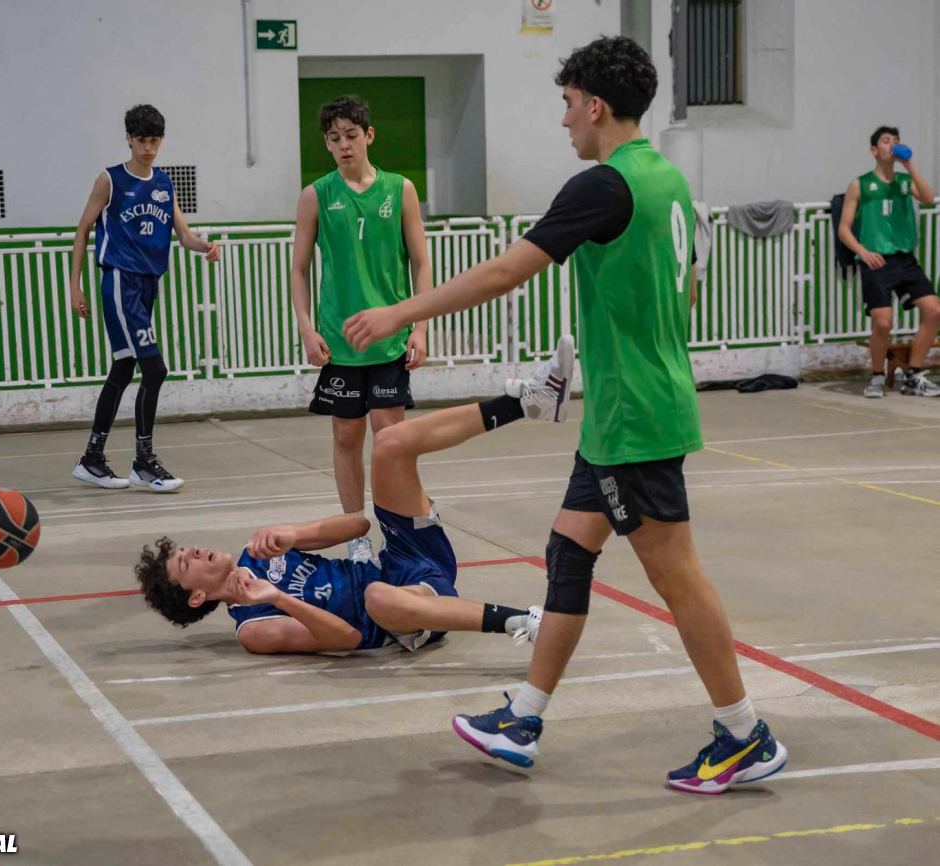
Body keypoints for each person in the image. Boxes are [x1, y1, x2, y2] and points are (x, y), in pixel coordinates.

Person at [344, 36, 787, 794]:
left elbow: (505, 271)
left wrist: (399, 313)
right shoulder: (667, 179)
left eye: (568, 104)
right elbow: (683, 286)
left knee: (678, 577)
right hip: (629, 409)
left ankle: (745, 733)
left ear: (596, 106)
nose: (564, 120)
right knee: (568, 552)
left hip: (634, 418)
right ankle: (524, 717)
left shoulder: (603, 185)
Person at [133, 338, 577, 654]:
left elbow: (359, 524)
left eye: (186, 550)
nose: (195, 551)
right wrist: (278, 598)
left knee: (390, 443)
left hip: (404, 560)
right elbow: (346, 639)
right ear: (197, 597)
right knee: (377, 598)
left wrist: (294, 534)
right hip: (404, 613)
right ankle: (525, 621)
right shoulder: (254, 628)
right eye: (186, 563)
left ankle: (529, 401)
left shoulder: (258, 551)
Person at [290, 95, 434, 564]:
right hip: (339, 342)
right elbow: (299, 269)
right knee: (346, 438)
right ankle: (356, 537)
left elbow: (421, 263)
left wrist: (419, 328)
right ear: (326, 144)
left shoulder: (400, 189)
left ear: (368, 135)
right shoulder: (315, 195)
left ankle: (402, 532)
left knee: (391, 442)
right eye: (334, 138)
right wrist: (307, 329)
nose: (343, 144)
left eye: (351, 135)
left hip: (389, 341)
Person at [69, 104, 221, 492]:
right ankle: (144, 462)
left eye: (154, 141)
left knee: (124, 368)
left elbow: (183, 235)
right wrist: (75, 285)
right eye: (142, 141)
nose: (148, 148)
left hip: (148, 284)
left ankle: (92, 458)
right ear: (129, 139)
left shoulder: (164, 184)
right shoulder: (111, 179)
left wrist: (205, 246)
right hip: (120, 281)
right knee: (155, 369)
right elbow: (83, 229)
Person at [838, 126, 940, 398]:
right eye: (886, 141)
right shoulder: (860, 184)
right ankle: (876, 377)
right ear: (874, 150)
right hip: (876, 261)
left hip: (904, 259)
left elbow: (928, 198)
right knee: (883, 323)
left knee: (934, 311)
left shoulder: (905, 181)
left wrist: (910, 165)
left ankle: (913, 376)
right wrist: (863, 251)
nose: (892, 145)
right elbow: (844, 228)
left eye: (895, 140)